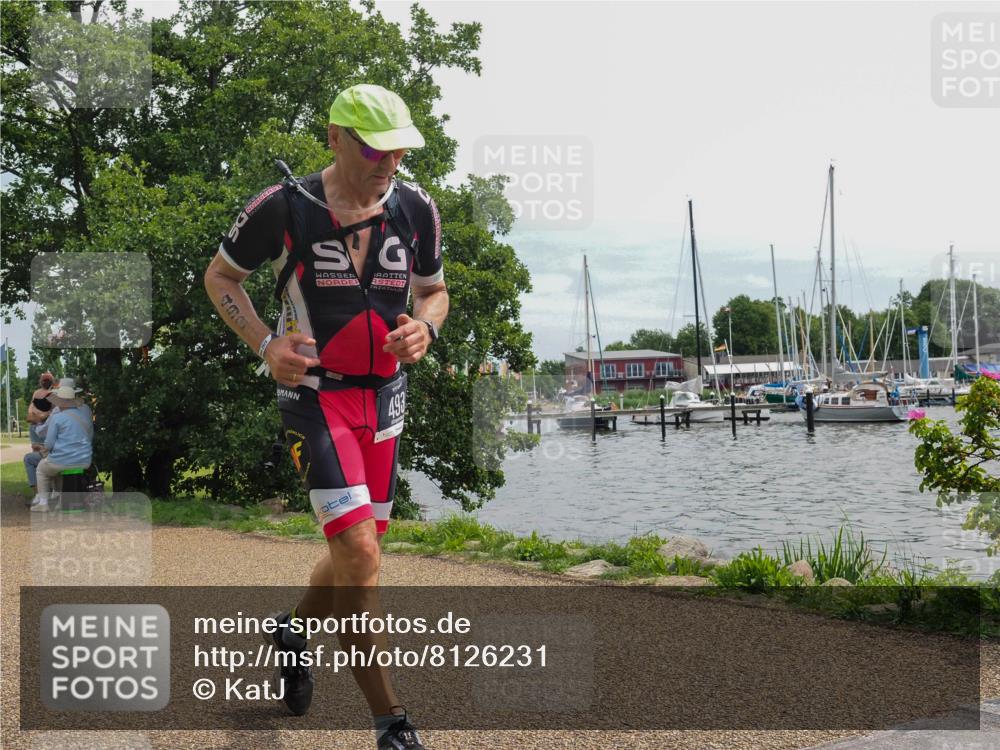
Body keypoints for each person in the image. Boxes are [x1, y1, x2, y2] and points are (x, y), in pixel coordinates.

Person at [204, 84, 448, 750]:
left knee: (354, 559)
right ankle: (391, 724)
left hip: (385, 401)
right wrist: (264, 343)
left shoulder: (416, 209)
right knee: (361, 554)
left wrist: (426, 329)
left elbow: (433, 292)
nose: (389, 164)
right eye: (375, 148)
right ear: (335, 137)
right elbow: (220, 279)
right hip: (313, 394)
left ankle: (291, 630)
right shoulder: (283, 208)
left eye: (399, 151)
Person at [30, 378, 93, 512]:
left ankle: (43, 503)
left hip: (65, 459)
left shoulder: (57, 416)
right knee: (59, 467)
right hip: (85, 459)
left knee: (42, 469)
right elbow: (90, 435)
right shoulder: (86, 411)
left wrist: (44, 448)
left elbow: (49, 443)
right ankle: (60, 502)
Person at [23, 372, 55, 503]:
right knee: (35, 456)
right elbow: (30, 417)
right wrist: (43, 415)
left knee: (32, 459)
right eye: (43, 380)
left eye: (47, 380)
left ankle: (42, 496)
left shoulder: (54, 396)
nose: (45, 382)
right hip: (40, 435)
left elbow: (38, 417)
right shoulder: (37, 394)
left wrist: (40, 416)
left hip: (51, 449)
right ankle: (40, 495)